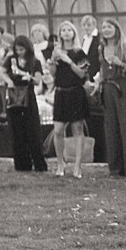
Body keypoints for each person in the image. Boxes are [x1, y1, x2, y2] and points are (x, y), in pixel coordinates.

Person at [95, 19, 126, 177]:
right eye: (104, 27)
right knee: (111, 128)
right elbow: (102, 69)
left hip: (122, 86)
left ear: (116, 29)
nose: (106, 30)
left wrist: (121, 64)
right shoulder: (101, 48)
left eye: (109, 27)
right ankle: (116, 168)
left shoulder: (125, 47)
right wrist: (99, 84)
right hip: (108, 88)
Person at [48, 20, 91, 178]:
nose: (66, 33)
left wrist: (68, 60)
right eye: (63, 30)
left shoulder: (80, 53)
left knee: (77, 129)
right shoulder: (57, 51)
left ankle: (78, 165)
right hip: (61, 93)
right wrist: (52, 61)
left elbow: (82, 74)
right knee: (58, 130)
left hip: (75, 92)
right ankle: (60, 162)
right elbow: (53, 74)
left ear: (74, 33)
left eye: (69, 30)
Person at [2, 34, 48, 173]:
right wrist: (9, 81)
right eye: (17, 49)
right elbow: (2, 72)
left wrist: (30, 77)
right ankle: (22, 164)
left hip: (28, 94)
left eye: (22, 49)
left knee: (32, 130)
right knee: (17, 131)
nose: (19, 52)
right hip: (14, 95)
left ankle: (38, 162)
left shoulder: (34, 61)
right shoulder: (10, 59)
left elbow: (38, 80)